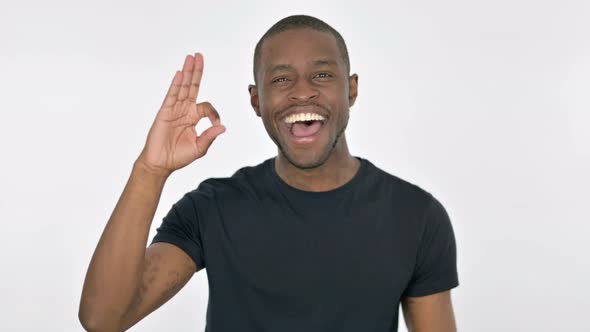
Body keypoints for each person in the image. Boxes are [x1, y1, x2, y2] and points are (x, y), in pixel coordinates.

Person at [79, 15, 459, 332]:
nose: (302, 93)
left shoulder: (416, 216)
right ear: (256, 100)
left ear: (352, 90)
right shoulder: (212, 208)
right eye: (280, 79)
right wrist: (150, 170)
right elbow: (103, 318)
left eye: (323, 75)